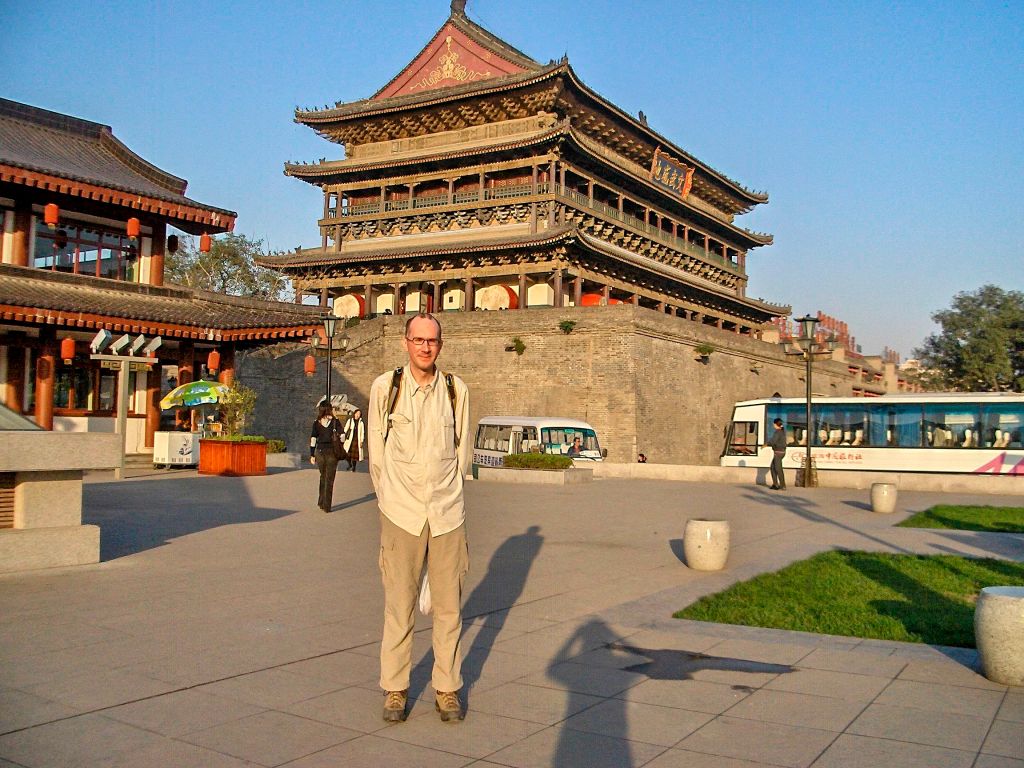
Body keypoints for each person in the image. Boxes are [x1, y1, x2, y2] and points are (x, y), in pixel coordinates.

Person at [367, 312, 471, 724]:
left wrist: (452, 493)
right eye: (418, 339)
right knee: (399, 605)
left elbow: (462, 450)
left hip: (447, 512)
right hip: (401, 512)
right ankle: (396, 688)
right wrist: (388, 497)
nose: (425, 347)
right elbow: (377, 449)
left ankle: (447, 688)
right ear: (405, 342)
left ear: (440, 346)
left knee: (449, 608)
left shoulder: (455, 389)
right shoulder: (385, 388)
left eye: (432, 341)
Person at [309, 402, 342, 512]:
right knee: (330, 479)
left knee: (323, 476)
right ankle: (326, 505)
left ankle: (321, 501)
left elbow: (313, 439)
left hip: (320, 452)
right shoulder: (335, 422)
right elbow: (342, 436)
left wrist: (312, 454)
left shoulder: (316, 422)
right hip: (332, 452)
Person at [765, 417, 788, 490]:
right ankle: (775, 484)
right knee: (773, 468)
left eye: (773, 424)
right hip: (780, 452)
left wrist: (766, 444)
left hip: (778, 452)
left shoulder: (778, 432)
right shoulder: (781, 431)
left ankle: (782, 485)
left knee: (778, 469)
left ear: (775, 424)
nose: (772, 425)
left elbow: (773, 441)